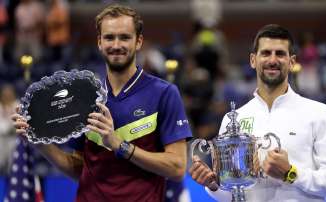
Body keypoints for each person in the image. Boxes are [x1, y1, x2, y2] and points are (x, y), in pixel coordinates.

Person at [12, 4, 192, 202]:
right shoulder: (82, 96)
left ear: (138, 41)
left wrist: (120, 146)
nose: (116, 45)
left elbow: (177, 167)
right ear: (99, 42)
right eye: (109, 37)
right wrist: (38, 141)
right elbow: (79, 169)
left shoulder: (164, 93)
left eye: (124, 37)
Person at [189, 24, 326, 202]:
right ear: (253, 60)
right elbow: (231, 194)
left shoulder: (318, 113)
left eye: (280, 54)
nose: (272, 60)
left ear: (292, 62)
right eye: (266, 53)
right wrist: (213, 184)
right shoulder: (233, 119)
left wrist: (291, 173)